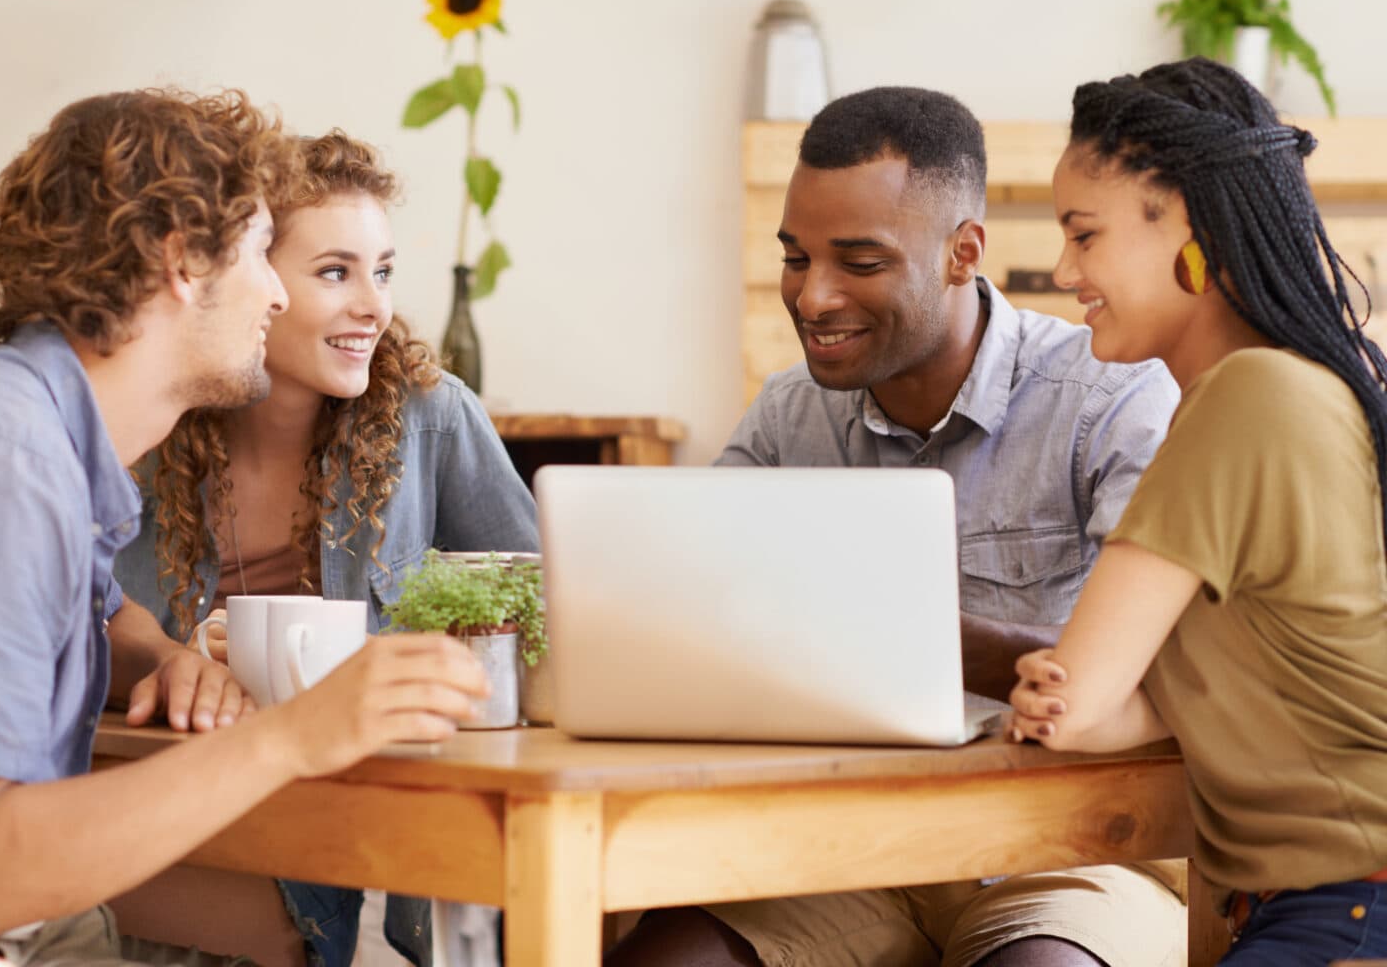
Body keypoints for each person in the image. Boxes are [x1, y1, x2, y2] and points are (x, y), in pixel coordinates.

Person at [0, 90, 489, 966]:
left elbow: (97, 612)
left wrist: (163, 656)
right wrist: (296, 734)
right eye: (260, 252)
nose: (276, 294)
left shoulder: (37, 444)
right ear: (180, 262)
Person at [607, 86, 1184, 967]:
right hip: (851, 859)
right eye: (796, 257)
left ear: (963, 252)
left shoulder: (1111, 401)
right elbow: (694, 610)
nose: (813, 296)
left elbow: (1152, 677)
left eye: (860, 262)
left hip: (1070, 853)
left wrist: (909, 640)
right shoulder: (788, 417)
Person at [109, 130, 537, 967]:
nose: (374, 306)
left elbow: (540, 599)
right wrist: (174, 659)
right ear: (254, 281)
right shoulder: (147, 420)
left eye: (381, 272)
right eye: (334, 272)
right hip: (179, 801)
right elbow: (78, 614)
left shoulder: (430, 414)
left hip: (373, 824)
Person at [1008, 58, 1387, 964]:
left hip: (1351, 908)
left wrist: (1068, 689)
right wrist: (1061, 696)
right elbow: (1126, 710)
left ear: (1187, 227)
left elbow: (1087, 692)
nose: (1064, 270)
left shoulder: (1249, 396)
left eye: (1084, 235)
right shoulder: (1307, 385)